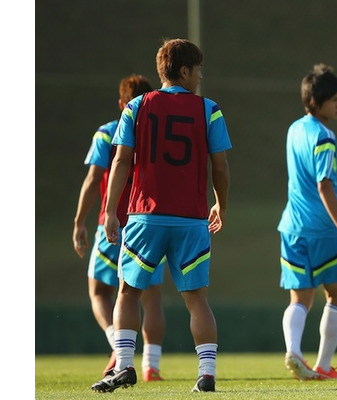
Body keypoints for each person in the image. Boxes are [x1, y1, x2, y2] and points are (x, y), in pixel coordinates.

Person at [90, 38, 231, 393]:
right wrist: (221, 203)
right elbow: (221, 166)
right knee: (196, 298)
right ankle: (207, 374)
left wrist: (109, 211)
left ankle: (123, 366)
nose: (200, 75)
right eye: (197, 69)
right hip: (191, 218)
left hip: (144, 217)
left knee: (128, 291)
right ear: (184, 71)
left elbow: (121, 160)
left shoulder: (136, 107)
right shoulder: (209, 109)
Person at [72, 74, 166, 382]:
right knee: (151, 296)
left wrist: (79, 220)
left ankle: (117, 343)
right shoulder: (158, 136)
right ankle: (152, 365)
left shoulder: (108, 133)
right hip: (150, 222)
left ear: (121, 104)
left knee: (101, 290)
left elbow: (92, 179)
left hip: (111, 223)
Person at [278, 63, 337, 381]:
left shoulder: (294, 129)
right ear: (317, 102)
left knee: (300, 298)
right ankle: (324, 365)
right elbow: (323, 184)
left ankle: (294, 352)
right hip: (323, 231)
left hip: (291, 227)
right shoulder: (325, 136)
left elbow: (316, 180)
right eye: (335, 99)